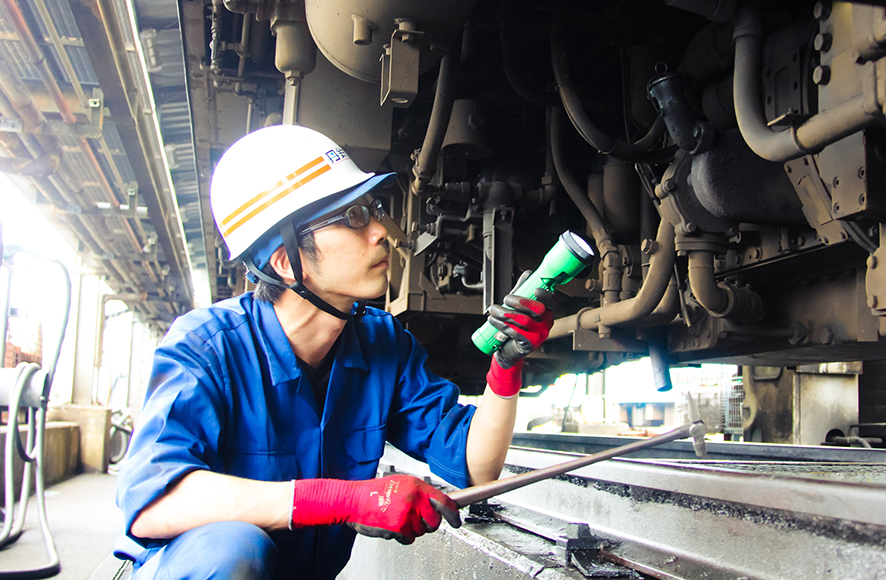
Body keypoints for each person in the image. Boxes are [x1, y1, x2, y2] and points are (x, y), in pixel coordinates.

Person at [114, 125, 555, 580]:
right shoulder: (208, 346)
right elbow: (151, 502)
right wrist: (342, 501)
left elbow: (476, 468)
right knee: (233, 549)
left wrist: (505, 366)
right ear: (286, 261)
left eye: (374, 210)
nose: (382, 231)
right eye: (354, 217)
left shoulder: (384, 345)